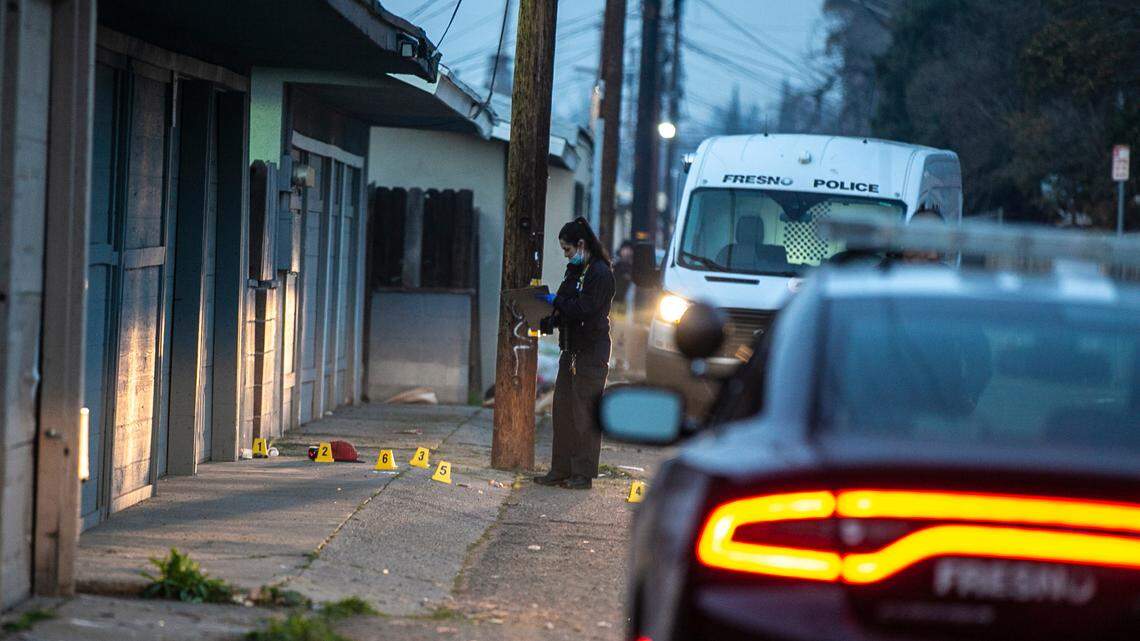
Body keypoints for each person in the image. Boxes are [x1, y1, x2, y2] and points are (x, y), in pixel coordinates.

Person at [533, 218, 615, 490]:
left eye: (568, 249)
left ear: (581, 244)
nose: (567, 255)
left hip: (590, 352)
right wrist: (549, 316)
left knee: (585, 414)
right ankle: (560, 469)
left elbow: (585, 308)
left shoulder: (600, 273)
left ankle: (582, 473)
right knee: (563, 411)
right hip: (570, 349)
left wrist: (557, 301)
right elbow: (566, 306)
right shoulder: (574, 271)